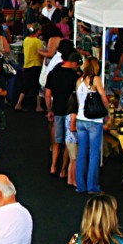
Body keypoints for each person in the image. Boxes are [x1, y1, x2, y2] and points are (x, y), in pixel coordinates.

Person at [45, 42, 81, 178]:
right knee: (68, 142)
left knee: (56, 142)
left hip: (57, 110)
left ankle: (53, 166)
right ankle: (63, 170)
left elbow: (48, 94)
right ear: (73, 62)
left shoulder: (53, 73)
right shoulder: (74, 76)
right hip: (70, 111)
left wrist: (49, 110)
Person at [75, 57, 109, 193]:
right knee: (94, 154)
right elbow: (104, 98)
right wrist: (108, 113)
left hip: (80, 119)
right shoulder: (96, 80)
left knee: (82, 152)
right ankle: (92, 186)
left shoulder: (79, 81)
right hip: (94, 120)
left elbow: (79, 101)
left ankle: (80, 185)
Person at [16, 24, 45, 112]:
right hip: (36, 65)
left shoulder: (26, 40)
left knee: (25, 85)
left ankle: (18, 103)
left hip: (27, 64)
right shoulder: (38, 42)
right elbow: (40, 55)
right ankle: (38, 106)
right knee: (37, 85)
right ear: (37, 31)